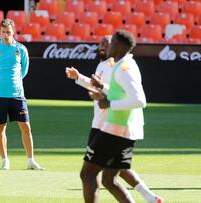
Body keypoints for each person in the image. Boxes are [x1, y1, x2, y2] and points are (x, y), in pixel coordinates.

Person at [66, 36, 163, 203]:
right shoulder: (112, 64)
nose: (104, 46)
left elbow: (139, 100)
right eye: (102, 43)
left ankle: (150, 197)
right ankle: (151, 198)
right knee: (110, 178)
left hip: (113, 125)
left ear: (117, 46)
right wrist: (96, 85)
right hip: (114, 124)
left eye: (108, 43)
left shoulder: (122, 66)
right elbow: (114, 90)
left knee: (89, 174)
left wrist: (109, 102)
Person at [0, 19, 43, 170]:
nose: (6, 35)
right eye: (3, 32)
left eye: (8, 32)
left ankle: (30, 160)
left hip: (17, 94)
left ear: (13, 31)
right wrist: (1, 80)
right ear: (0, 32)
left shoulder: (21, 49)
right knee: (0, 128)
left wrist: (14, 81)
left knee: (26, 127)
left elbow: (24, 70)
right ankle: (5, 160)